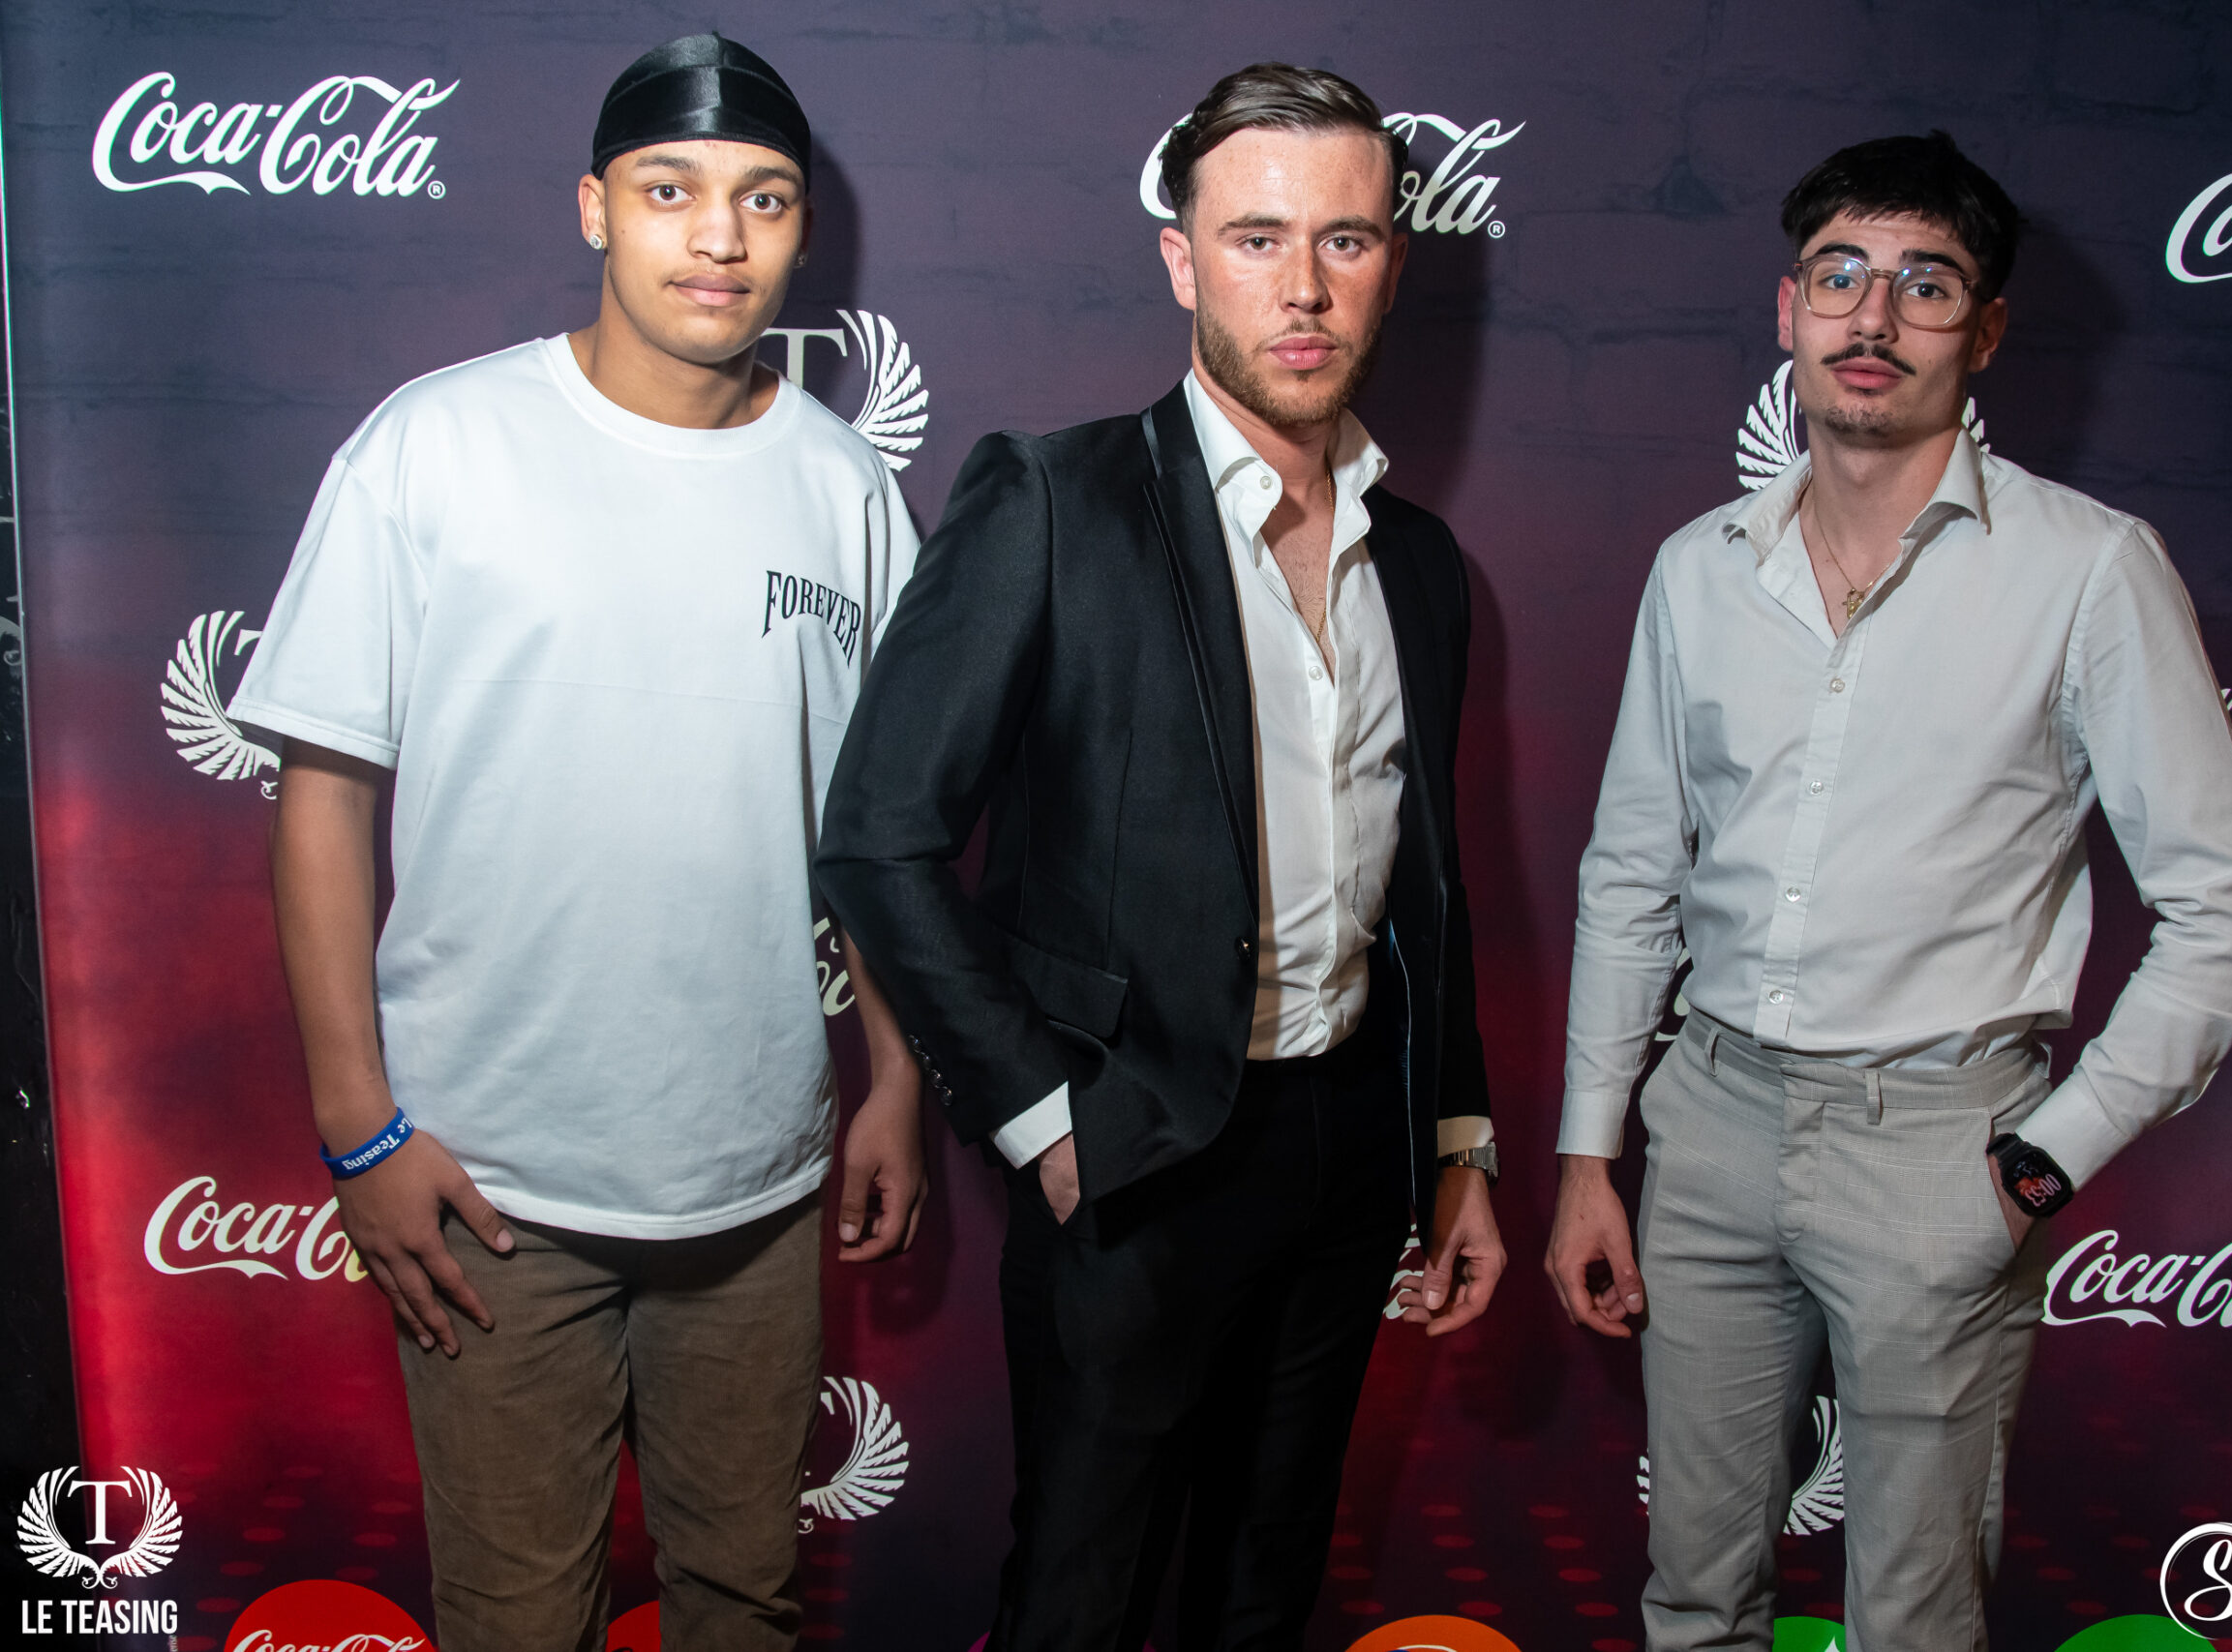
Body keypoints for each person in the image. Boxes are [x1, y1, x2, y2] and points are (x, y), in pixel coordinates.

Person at [1543, 131, 2232, 1650]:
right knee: (1693, 1598)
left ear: (1987, 330)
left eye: (1926, 283)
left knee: (1915, 1620)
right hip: (1709, 1129)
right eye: (1841, 275)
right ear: (1788, 309)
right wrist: (1587, 1155)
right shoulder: (1701, 569)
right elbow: (1631, 875)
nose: (1873, 316)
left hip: (1943, 1144)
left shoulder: (2088, 572)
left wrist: (2039, 1166)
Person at [232, 34, 924, 1652]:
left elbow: (877, 825)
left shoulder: (844, 488)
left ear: (802, 232)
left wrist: (895, 1073)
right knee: (516, 1619)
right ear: (596, 209)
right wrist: (357, 1127)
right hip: (489, 1188)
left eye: (764, 199)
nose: (719, 236)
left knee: (741, 1603)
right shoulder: (435, 444)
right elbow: (323, 789)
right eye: (671, 191)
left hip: (754, 1184)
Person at [815, 61, 1505, 1652]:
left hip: (1350, 1152)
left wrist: (1455, 1139)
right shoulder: (1055, 500)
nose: (1304, 286)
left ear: (1392, 263)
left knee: (1261, 1594)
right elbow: (878, 837)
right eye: (1258, 239)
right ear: (1185, 263)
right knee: (1083, 1600)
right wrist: (1044, 1119)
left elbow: (1431, 879)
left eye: (1344, 240)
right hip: (1132, 1151)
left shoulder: (1421, 562)